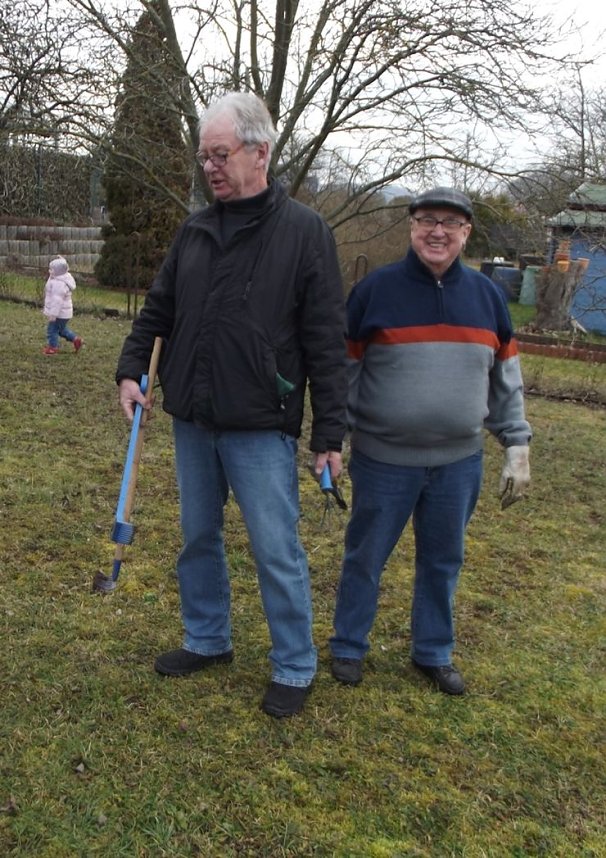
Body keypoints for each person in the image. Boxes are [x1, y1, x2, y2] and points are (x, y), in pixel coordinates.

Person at [116, 92, 347, 718]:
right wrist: (131, 371)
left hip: (260, 426)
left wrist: (330, 432)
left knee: (276, 548)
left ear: (260, 152)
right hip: (193, 416)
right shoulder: (194, 229)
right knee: (198, 537)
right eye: (204, 157)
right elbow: (158, 312)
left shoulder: (305, 232)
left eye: (219, 155)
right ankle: (208, 639)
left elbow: (327, 342)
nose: (210, 168)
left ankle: (295, 667)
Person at [329, 187, 531, 695]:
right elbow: (344, 374)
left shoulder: (487, 298)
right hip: (383, 460)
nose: (436, 231)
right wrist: (332, 439)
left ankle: (433, 652)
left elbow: (505, 376)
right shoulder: (374, 292)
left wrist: (516, 443)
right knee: (365, 556)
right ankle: (349, 646)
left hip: (459, 462)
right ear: (411, 227)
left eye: (450, 222)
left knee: (443, 560)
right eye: (425, 220)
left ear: (466, 233)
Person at [42, 257, 83, 355]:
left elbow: (57, 301)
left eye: (51, 269)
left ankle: (52, 348)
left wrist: (53, 314)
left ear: (58, 272)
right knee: (61, 330)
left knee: (52, 330)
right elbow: (64, 268)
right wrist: (63, 260)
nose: (49, 271)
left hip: (59, 313)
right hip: (64, 313)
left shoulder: (58, 284)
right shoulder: (61, 277)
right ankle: (76, 339)